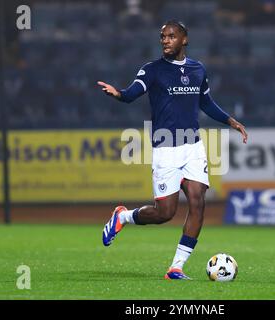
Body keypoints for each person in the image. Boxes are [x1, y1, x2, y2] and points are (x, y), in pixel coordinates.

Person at [97, 20, 248, 280]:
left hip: (193, 146)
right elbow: (133, 93)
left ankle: (176, 267)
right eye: (162, 37)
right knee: (164, 213)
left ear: (184, 40)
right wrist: (119, 94)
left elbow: (206, 102)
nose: (165, 40)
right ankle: (124, 216)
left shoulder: (198, 69)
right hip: (166, 149)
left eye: (171, 36)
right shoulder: (152, 70)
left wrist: (231, 121)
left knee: (197, 201)